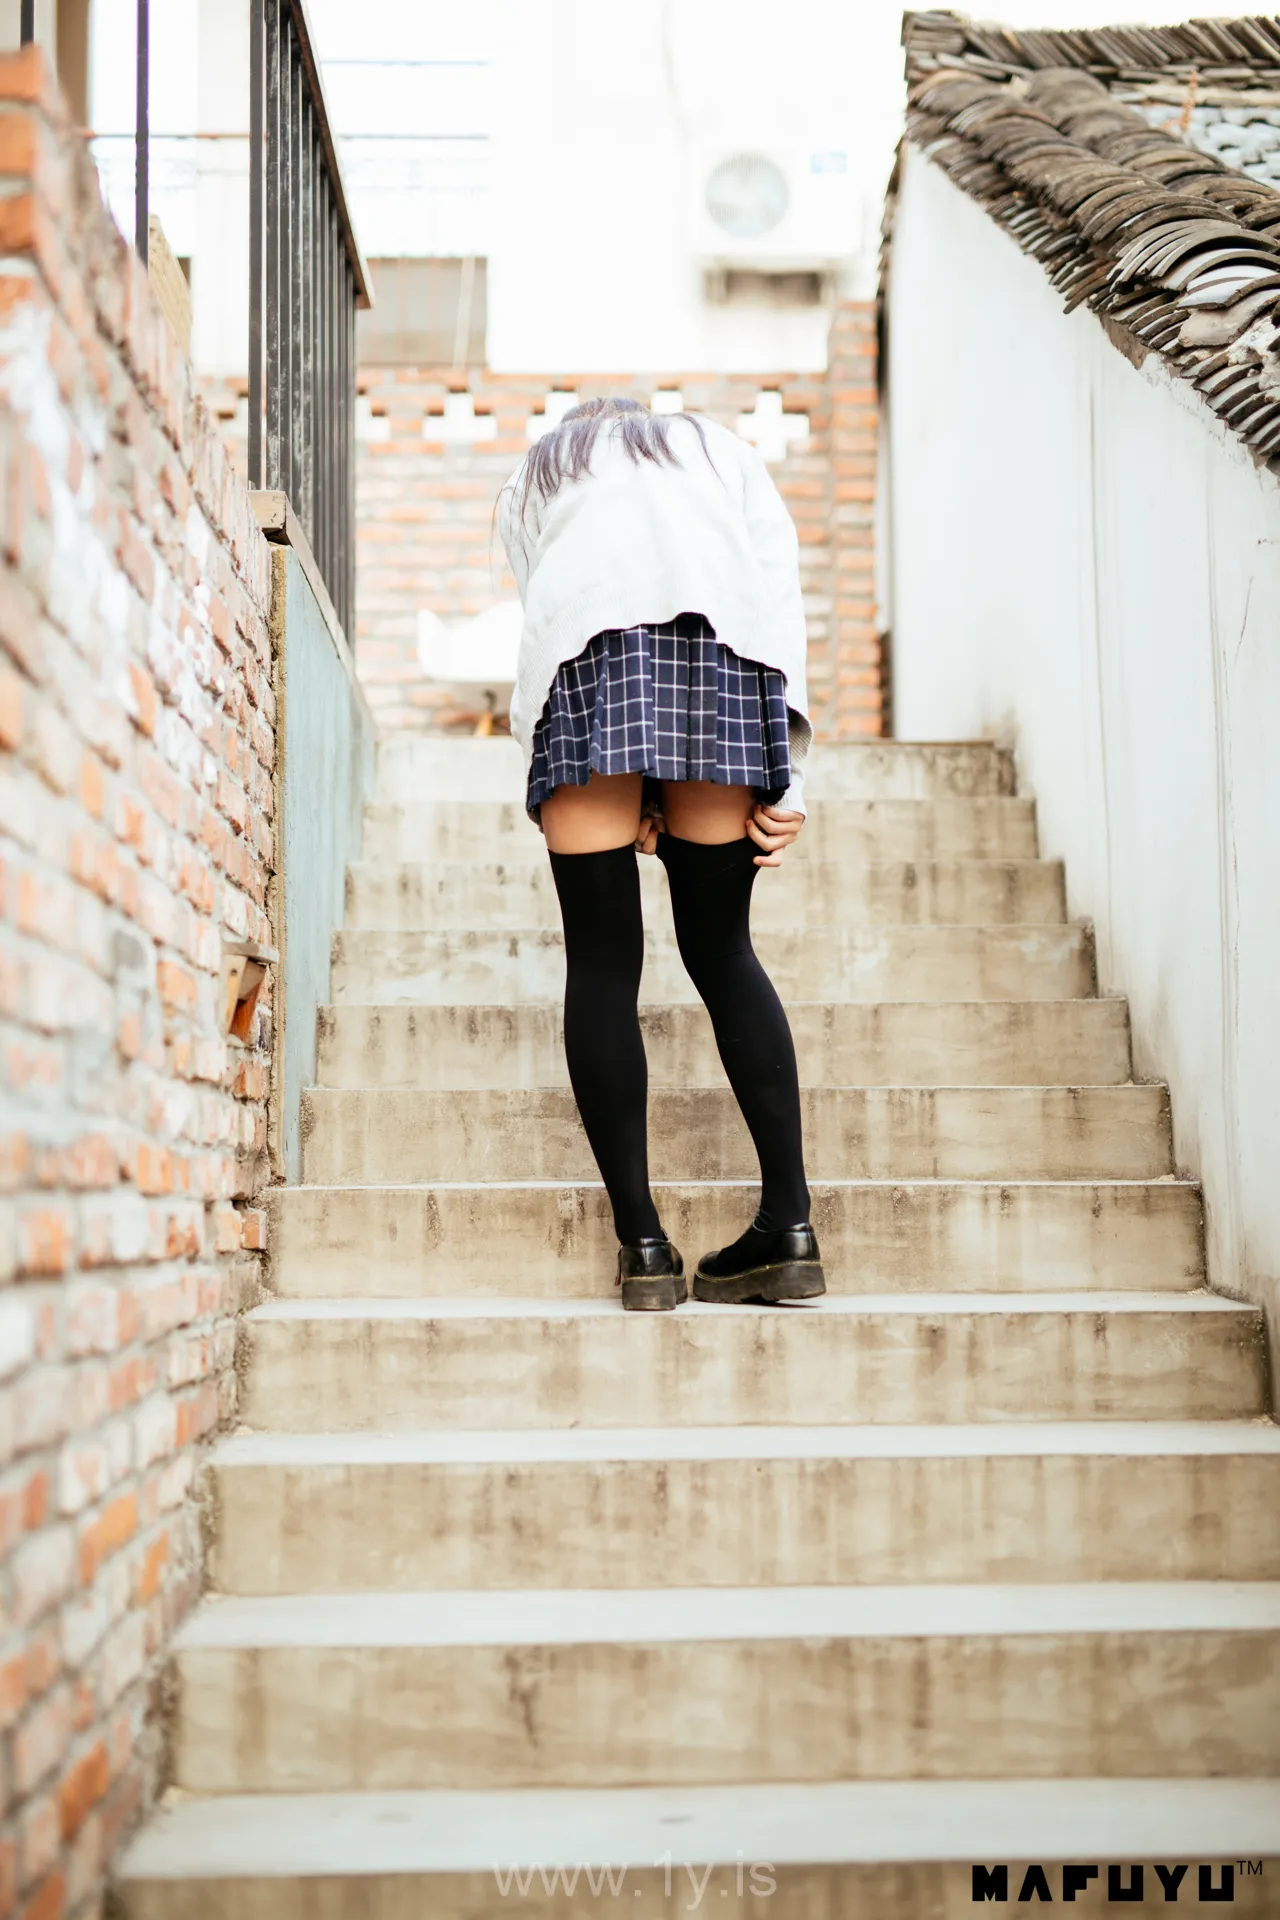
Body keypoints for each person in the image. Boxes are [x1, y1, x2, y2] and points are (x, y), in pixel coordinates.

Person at [498, 396, 824, 1313]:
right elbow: (776, 588)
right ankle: (789, 1229)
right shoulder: (719, 450)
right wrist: (790, 773)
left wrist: (545, 753)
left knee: (603, 965)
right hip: (725, 660)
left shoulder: (545, 465)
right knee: (723, 950)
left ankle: (643, 1248)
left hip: (585, 661)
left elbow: (543, 610)